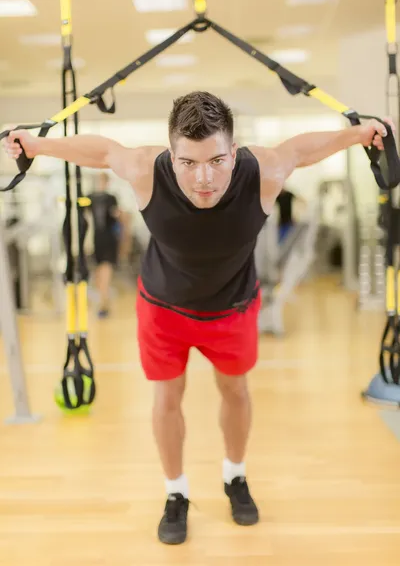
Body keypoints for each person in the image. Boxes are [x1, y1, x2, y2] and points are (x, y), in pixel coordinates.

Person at [2, 91, 391, 545]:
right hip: (163, 308)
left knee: (236, 389)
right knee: (167, 398)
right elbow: (104, 151)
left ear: (234, 150)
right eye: (188, 163)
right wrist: (37, 145)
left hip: (233, 308)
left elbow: (301, 150)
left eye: (217, 160)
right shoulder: (148, 170)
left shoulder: (261, 171)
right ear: (171, 154)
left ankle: (235, 476)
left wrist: (360, 134)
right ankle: (176, 492)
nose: (203, 178)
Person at [88, 172, 121, 318]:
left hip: (109, 238)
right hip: (95, 239)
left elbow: (116, 216)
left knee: (106, 267)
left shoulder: (111, 198)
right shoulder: (89, 198)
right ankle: (102, 298)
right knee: (98, 269)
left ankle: (103, 301)